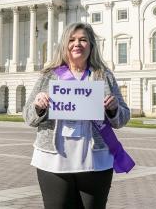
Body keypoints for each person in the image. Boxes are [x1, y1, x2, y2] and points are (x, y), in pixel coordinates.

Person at [23, 22, 132, 209]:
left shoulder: (103, 75)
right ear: (64, 45)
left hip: (95, 159)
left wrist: (113, 109)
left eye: (83, 40)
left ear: (91, 45)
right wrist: (39, 107)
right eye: (72, 40)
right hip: (53, 160)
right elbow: (28, 116)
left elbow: (123, 117)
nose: (77, 44)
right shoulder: (49, 75)